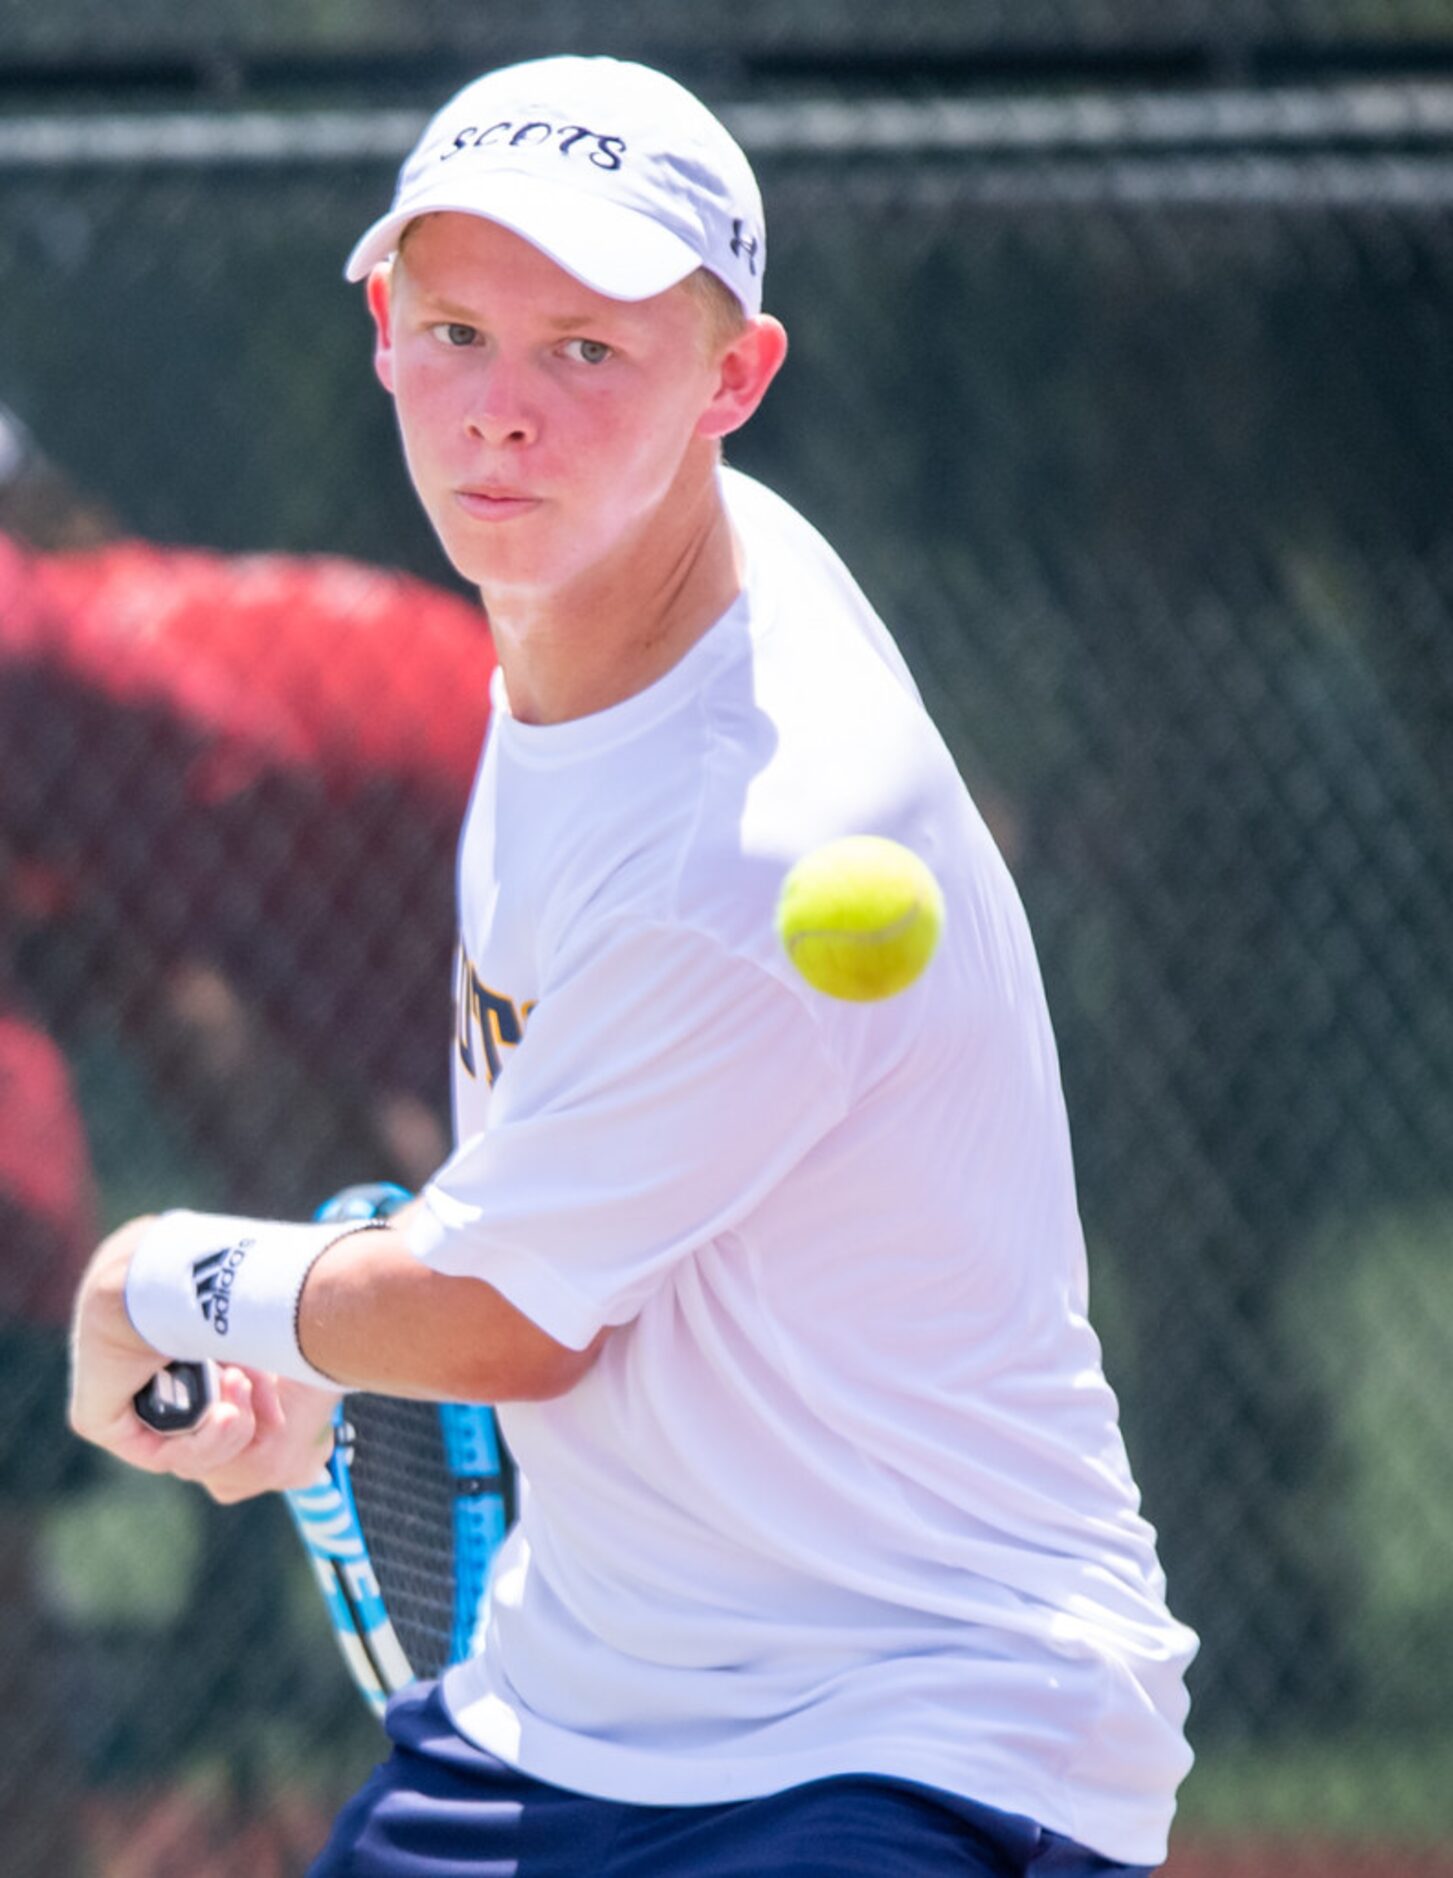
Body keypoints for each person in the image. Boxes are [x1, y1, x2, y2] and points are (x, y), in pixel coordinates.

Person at [69, 54, 1197, 1877]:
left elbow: (504, 1321)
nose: (501, 413)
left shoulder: (760, 836)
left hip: (915, 1731)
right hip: (560, 1711)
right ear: (378, 324)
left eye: (585, 351)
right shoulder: (591, 608)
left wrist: (170, 1277)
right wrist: (343, 1361)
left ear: (729, 380)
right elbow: (542, 1243)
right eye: (455, 333)